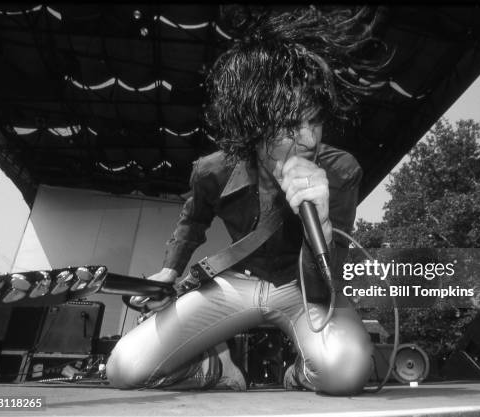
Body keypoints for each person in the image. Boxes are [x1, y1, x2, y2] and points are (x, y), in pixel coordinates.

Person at [107, 6, 388, 395]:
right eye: (291, 125)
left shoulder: (341, 171)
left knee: (347, 371)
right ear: (255, 126)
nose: (309, 139)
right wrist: (169, 271)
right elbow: (193, 220)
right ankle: (212, 367)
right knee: (124, 369)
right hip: (237, 284)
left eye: (315, 120)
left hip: (301, 289)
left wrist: (321, 223)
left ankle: (299, 374)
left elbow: (325, 284)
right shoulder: (212, 170)